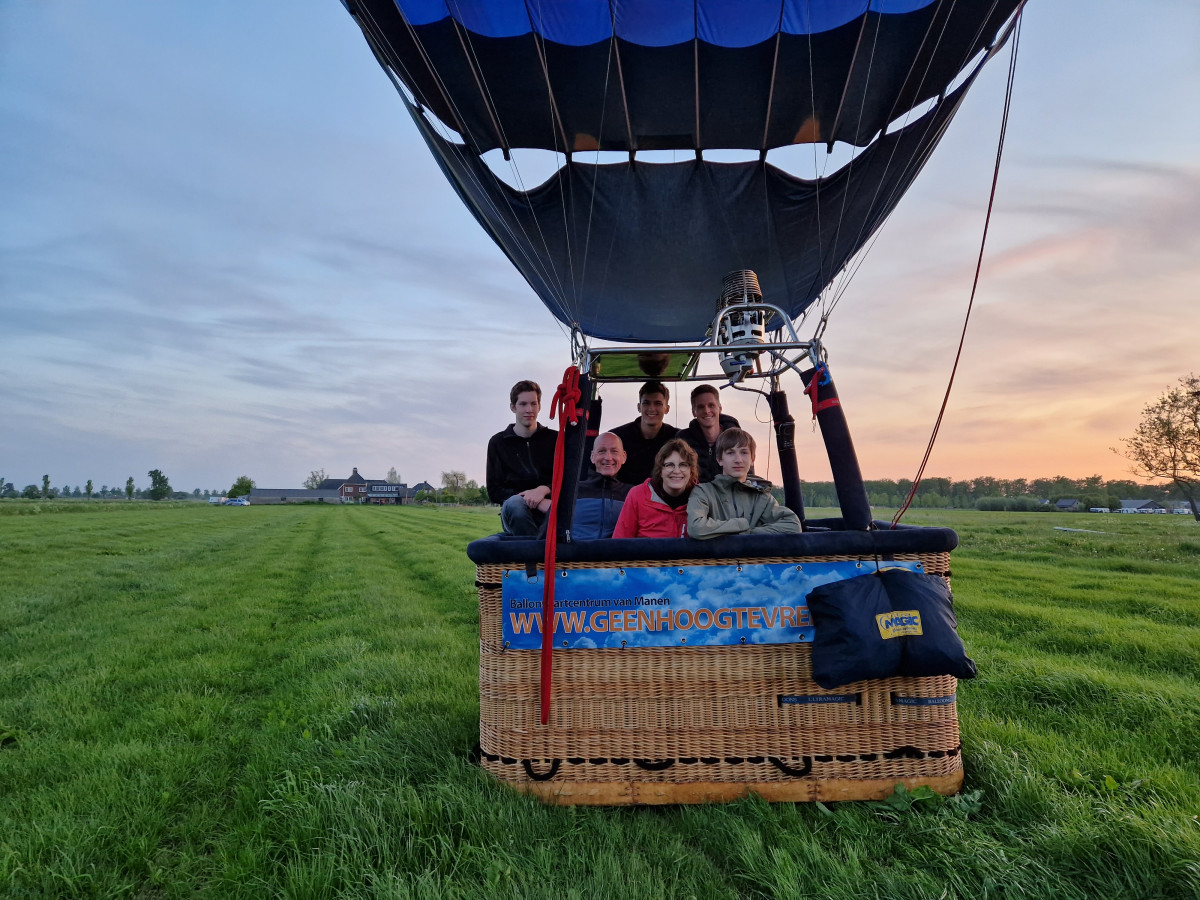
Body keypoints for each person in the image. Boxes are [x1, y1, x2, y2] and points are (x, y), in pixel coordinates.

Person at [687, 428, 800, 539]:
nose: (738, 460)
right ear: (719, 460)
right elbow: (696, 528)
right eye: (730, 453)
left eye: (744, 452)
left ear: (752, 459)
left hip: (754, 552)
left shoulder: (761, 497)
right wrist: (741, 524)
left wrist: (749, 534)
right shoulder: (704, 492)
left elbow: (793, 525)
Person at [486, 380, 558, 535]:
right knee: (515, 504)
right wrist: (533, 499)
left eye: (533, 404)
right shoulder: (498, 442)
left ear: (539, 406)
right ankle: (533, 549)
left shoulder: (555, 439)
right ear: (513, 407)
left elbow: (568, 477)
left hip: (550, 506)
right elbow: (495, 491)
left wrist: (544, 489)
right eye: (523, 404)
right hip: (516, 511)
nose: (529, 409)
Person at [613, 439, 699, 539]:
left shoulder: (703, 498)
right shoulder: (638, 495)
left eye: (683, 465)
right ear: (660, 470)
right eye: (669, 465)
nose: (676, 471)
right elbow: (620, 541)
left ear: (691, 471)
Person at [610, 380, 678, 486]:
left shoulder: (677, 438)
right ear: (639, 407)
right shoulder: (617, 438)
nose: (651, 408)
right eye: (646, 403)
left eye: (658, 403)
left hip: (664, 495)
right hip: (625, 495)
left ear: (667, 409)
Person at [571, 432, 631, 539]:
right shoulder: (573, 490)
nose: (608, 457)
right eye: (602, 451)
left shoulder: (633, 493)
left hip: (617, 549)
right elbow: (550, 530)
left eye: (614, 451)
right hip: (578, 549)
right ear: (592, 457)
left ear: (624, 457)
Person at [677, 384, 740, 482]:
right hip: (695, 491)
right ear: (694, 412)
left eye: (711, 405)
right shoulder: (682, 440)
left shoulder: (737, 438)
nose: (706, 411)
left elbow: (748, 475)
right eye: (701, 407)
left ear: (720, 408)